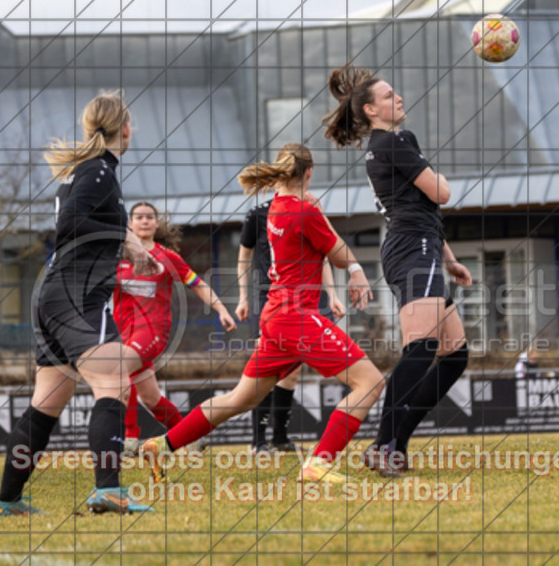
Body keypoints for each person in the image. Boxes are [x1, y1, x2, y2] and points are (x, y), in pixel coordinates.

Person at [141, 143, 384, 484]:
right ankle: (318, 463)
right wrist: (357, 269)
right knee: (370, 382)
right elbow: (339, 253)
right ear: (309, 173)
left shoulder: (275, 210)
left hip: (275, 316)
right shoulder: (303, 211)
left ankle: (163, 443)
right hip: (296, 316)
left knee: (240, 398)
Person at [0, 92, 159, 517]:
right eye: (131, 124)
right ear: (124, 129)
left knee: (45, 402)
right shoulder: (99, 170)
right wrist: (125, 238)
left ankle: (6, 501)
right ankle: (108, 489)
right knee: (115, 384)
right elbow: (70, 226)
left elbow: (78, 226)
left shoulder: (86, 171)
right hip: (77, 296)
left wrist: (126, 243)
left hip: (54, 294)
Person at [322, 63, 473, 476]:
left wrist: (449, 258)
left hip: (417, 245)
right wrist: (439, 177)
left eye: (395, 93)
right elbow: (440, 192)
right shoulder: (395, 140)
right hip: (412, 249)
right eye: (388, 96)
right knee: (420, 348)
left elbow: (417, 208)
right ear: (371, 110)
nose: (398, 98)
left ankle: (393, 442)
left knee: (454, 355)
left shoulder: (386, 144)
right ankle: (385, 444)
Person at [115, 202, 237, 452]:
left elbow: (198, 284)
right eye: (139, 217)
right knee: (150, 398)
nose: (145, 221)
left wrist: (221, 309)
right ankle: (190, 438)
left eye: (150, 217)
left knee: (117, 369)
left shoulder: (167, 257)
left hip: (152, 332)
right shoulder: (116, 257)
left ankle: (128, 440)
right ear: (130, 224)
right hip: (122, 333)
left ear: (156, 224)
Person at [237, 198, 345, 455]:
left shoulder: (308, 211)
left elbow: (323, 255)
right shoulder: (259, 213)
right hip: (272, 300)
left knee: (292, 369)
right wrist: (243, 297)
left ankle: (280, 438)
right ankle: (258, 441)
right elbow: (244, 254)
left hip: (305, 300)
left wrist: (332, 295)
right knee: (264, 369)